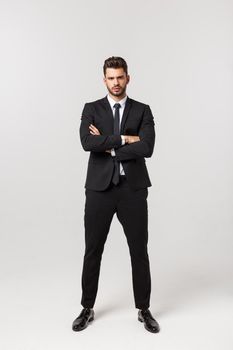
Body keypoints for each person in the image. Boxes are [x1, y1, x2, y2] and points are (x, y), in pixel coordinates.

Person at [72, 56, 160, 333]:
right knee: (92, 250)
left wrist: (107, 145)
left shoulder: (142, 110)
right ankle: (87, 307)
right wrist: (125, 139)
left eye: (120, 77)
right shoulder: (92, 109)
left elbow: (147, 148)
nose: (116, 82)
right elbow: (88, 142)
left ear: (128, 78)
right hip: (99, 190)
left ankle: (144, 309)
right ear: (104, 80)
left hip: (132, 189)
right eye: (111, 78)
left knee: (139, 251)